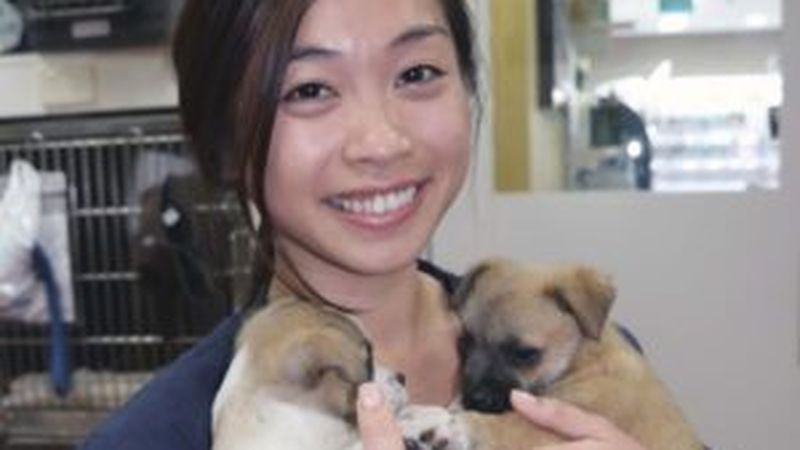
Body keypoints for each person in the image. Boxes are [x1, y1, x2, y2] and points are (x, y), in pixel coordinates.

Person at [79, 0, 646, 448]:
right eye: (310, 90)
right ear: (225, 144)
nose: (382, 142)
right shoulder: (156, 436)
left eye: (417, 73)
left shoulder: (579, 358)